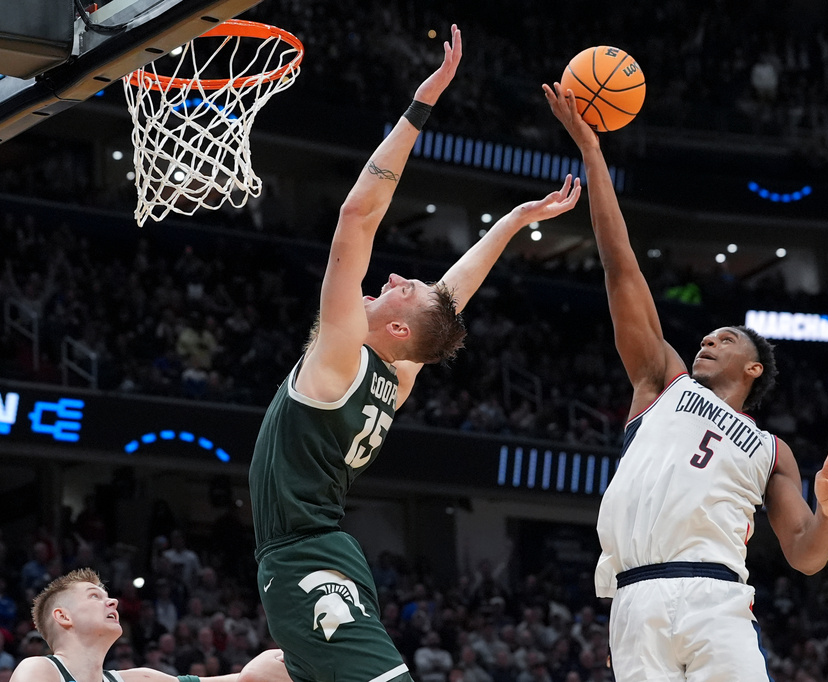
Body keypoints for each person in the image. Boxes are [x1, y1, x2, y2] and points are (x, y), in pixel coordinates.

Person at [249, 25, 580, 682]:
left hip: (303, 559)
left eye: (405, 290)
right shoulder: (395, 375)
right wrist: (511, 223)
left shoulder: (342, 356)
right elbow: (448, 302)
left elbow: (357, 217)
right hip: (326, 552)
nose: (396, 278)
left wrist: (421, 104)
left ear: (397, 330)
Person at [543, 82, 828, 682]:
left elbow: (803, 553)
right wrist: (592, 153)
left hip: (715, 599)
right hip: (634, 602)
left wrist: (826, 515)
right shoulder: (662, 382)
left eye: (725, 338)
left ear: (755, 369)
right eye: (706, 336)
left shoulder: (774, 451)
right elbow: (622, 271)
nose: (706, 340)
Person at [9, 568, 287, 682]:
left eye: (108, 596)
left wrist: (271, 668)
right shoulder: (40, 669)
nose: (113, 602)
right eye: (95, 596)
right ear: (63, 617)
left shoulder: (133, 677)